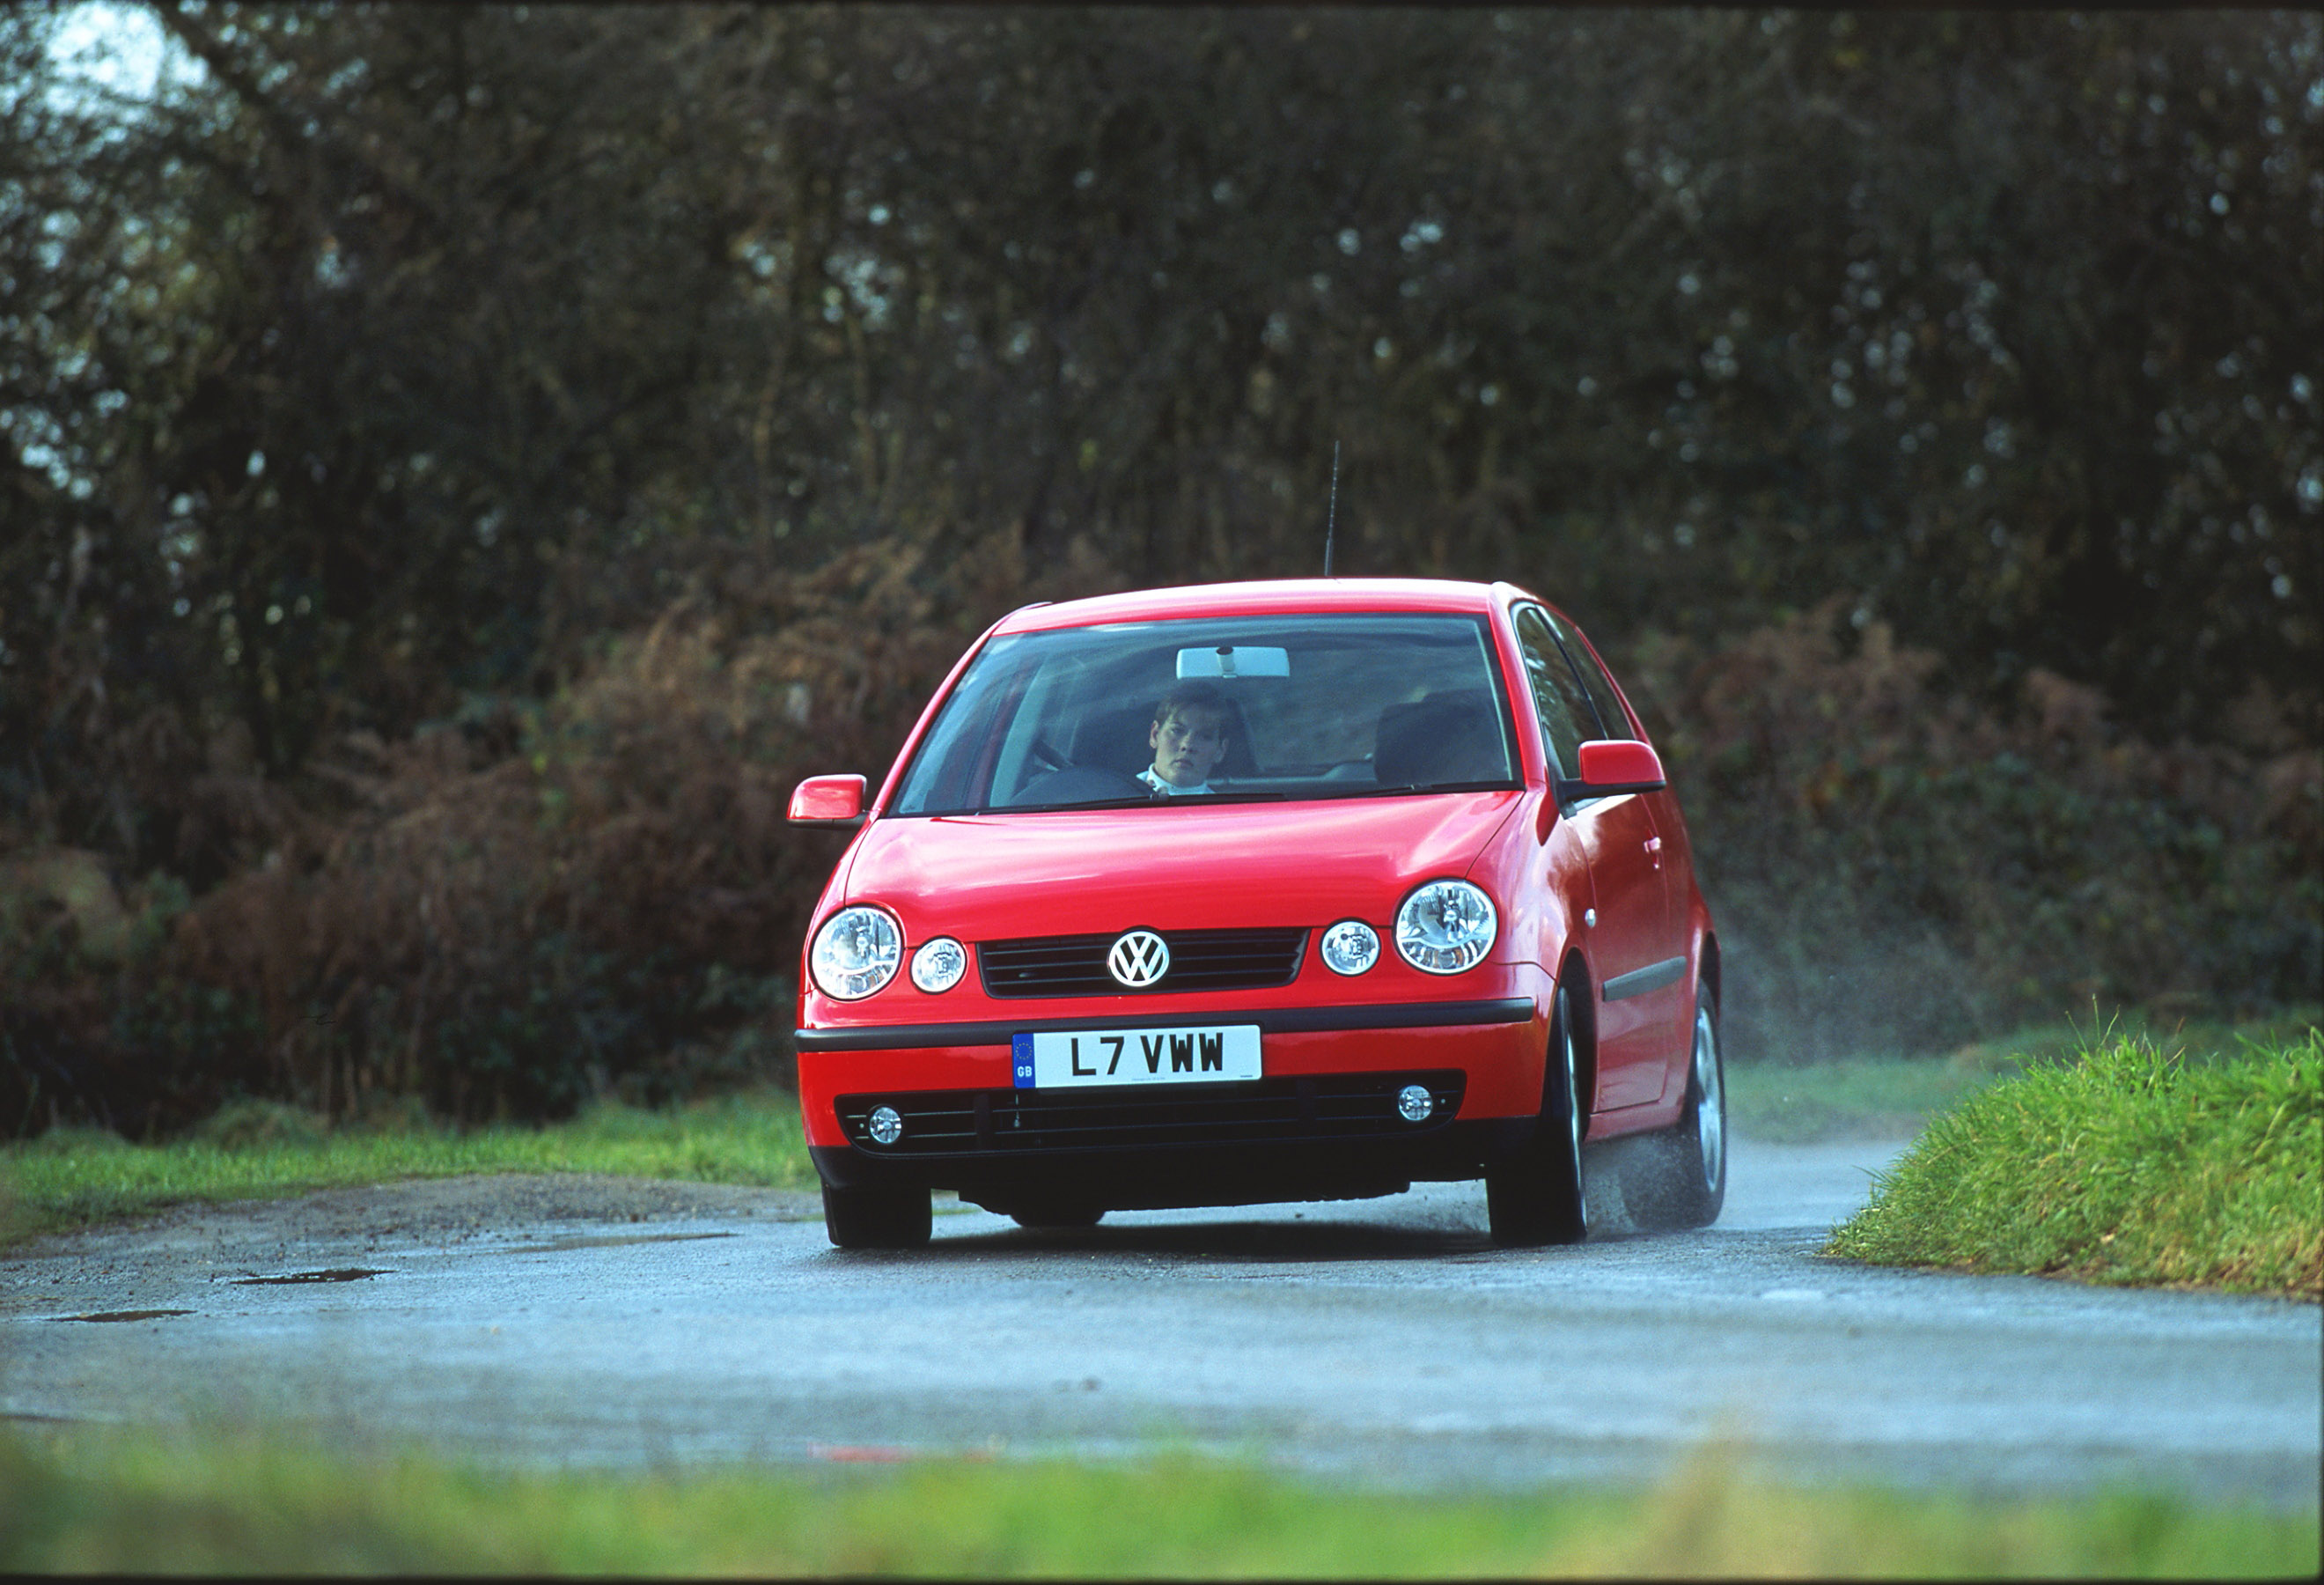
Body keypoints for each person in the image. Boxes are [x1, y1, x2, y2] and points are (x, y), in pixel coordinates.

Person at [1139, 682, 1232, 795]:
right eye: (1177, 731)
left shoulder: (1224, 811)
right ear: (1155, 734)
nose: (1187, 745)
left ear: (1220, 751)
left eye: (1204, 736)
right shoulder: (1117, 797)